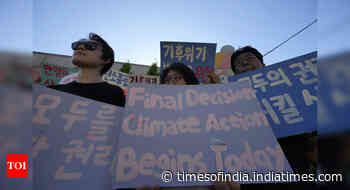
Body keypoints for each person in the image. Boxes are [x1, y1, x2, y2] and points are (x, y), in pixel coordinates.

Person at [231, 46, 317, 190]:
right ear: (235, 74)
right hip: (254, 174)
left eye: (249, 59)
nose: (244, 63)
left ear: (264, 65)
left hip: (295, 167)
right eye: (238, 63)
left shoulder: (292, 89)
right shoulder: (229, 100)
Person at [49, 33, 125, 107]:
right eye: (76, 45)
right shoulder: (51, 91)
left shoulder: (115, 93)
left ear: (106, 59)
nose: (80, 47)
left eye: (91, 46)